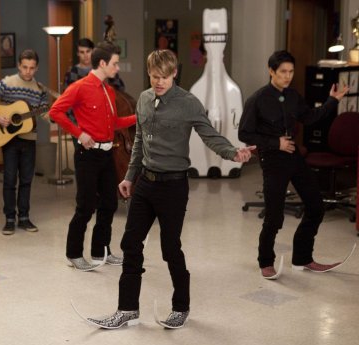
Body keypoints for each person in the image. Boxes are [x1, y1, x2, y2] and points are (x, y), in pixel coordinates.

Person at [85, 49, 254, 329]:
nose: (159, 82)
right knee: (130, 244)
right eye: (154, 77)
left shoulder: (188, 103)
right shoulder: (144, 99)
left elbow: (209, 135)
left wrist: (232, 153)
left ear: (174, 73)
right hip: (145, 183)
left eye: (164, 77)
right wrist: (129, 177)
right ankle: (127, 309)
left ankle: (181, 307)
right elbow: (139, 141)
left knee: (170, 248)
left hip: (173, 186)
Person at [238, 50, 349, 280]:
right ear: (271, 71)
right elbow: (244, 134)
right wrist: (275, 143)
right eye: (283, 72)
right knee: (274, 217)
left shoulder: (293, 96)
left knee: (316, 206)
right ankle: (266, 262)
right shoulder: (257, 99)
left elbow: (310, 117)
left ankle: (302, 258)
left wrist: (333, 100)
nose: (287, 76)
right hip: (272, 160)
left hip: (294, 156)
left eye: (291, 72)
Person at [49, 41, 136, 271]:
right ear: (103, 63)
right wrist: (79, 133)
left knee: (109, 203)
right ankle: (74, 254)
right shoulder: (79, 87)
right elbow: (55, 111)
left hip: (107, 154)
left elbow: (115, 123)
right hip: (87, 155)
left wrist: (139, 118)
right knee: (86, 206)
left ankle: (101, 251)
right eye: (115, 63)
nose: (118, 68)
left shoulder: (109, 90)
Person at [0, 49, 48, 235]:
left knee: (26, 180)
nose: (27, 71)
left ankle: (24, 217)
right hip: (9, 139)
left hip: (29, 139)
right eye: (24, 67)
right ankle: (9, 218)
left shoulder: (40, 89)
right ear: (18, 65)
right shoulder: (8, 82)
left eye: (31, 68)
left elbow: (45, 113)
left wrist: (55, 112)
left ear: (37, 68)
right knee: (9, 180)